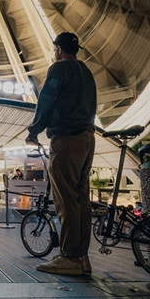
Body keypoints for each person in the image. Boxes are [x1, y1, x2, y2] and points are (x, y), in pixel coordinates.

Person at [25, 32, 97, 276]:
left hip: (66, 139)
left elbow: (46, 101)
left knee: (65, 200)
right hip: (87, 137)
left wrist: (34, 131)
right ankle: (82, 257)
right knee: (81, 199)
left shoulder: (58, 69)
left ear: (58, 49)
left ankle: (69, 257)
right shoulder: (86, 71)